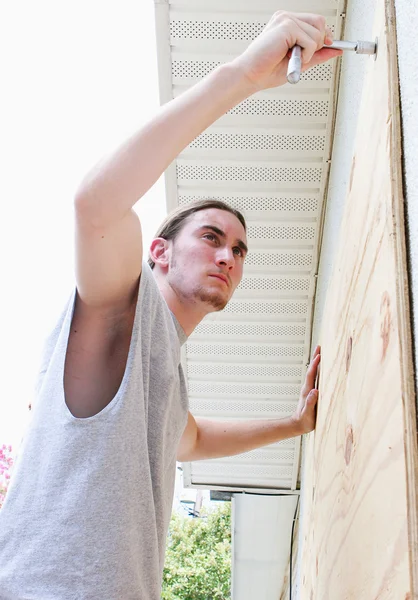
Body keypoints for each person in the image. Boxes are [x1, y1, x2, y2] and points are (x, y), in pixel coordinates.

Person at [0, 11, 340, 600]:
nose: (229, 256)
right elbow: (95, 205)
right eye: (211, 237)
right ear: (157, 252)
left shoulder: (162, 376)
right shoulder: (121, 314)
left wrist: (297, 424)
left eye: (239, 249)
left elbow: (196, 440)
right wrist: (242, 75)